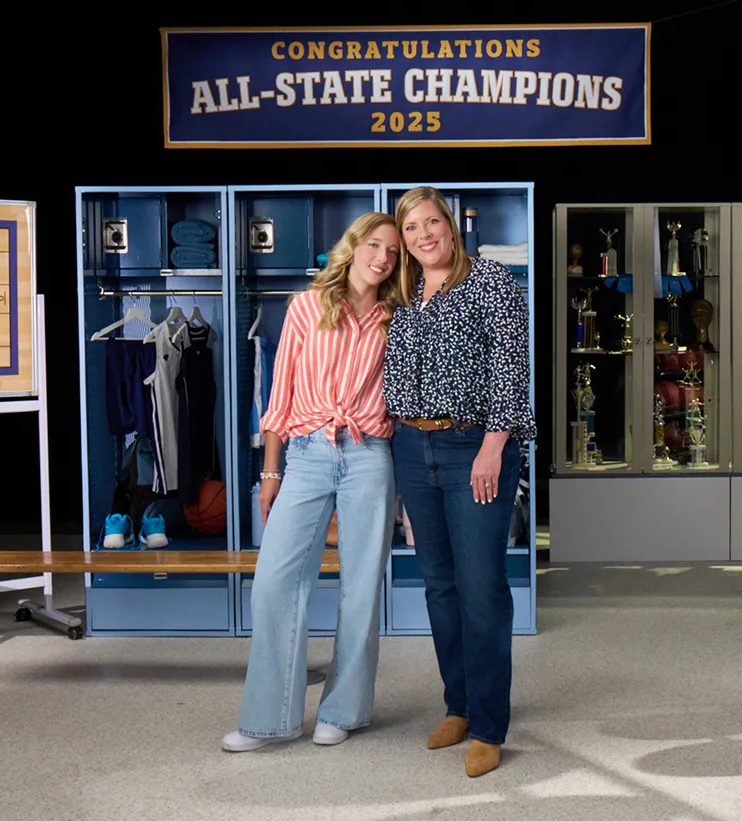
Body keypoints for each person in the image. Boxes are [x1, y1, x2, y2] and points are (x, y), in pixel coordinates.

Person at [222, 212, 400, 752]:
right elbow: (280, 398)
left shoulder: (399, 316)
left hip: (370, 454)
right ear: (354, 245)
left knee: (362, 588)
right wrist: (270, 471)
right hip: (304, 454)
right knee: (276, 581)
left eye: (394, 252)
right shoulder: (307, 305)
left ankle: (343, 710)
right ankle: (269, 719)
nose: (383, 258)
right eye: (375, 245)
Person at [383, 186, 536, 777]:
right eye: (412, 228)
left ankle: (491, 726)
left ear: (449, 225)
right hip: (411, 448)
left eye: (431, 221)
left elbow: (510, 367)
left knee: (482, 588)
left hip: (474, 443)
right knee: (439, 586)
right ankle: (460, 705)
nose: (424, 235)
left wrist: (494, 445)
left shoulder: (491, 281)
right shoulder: (406, 295)